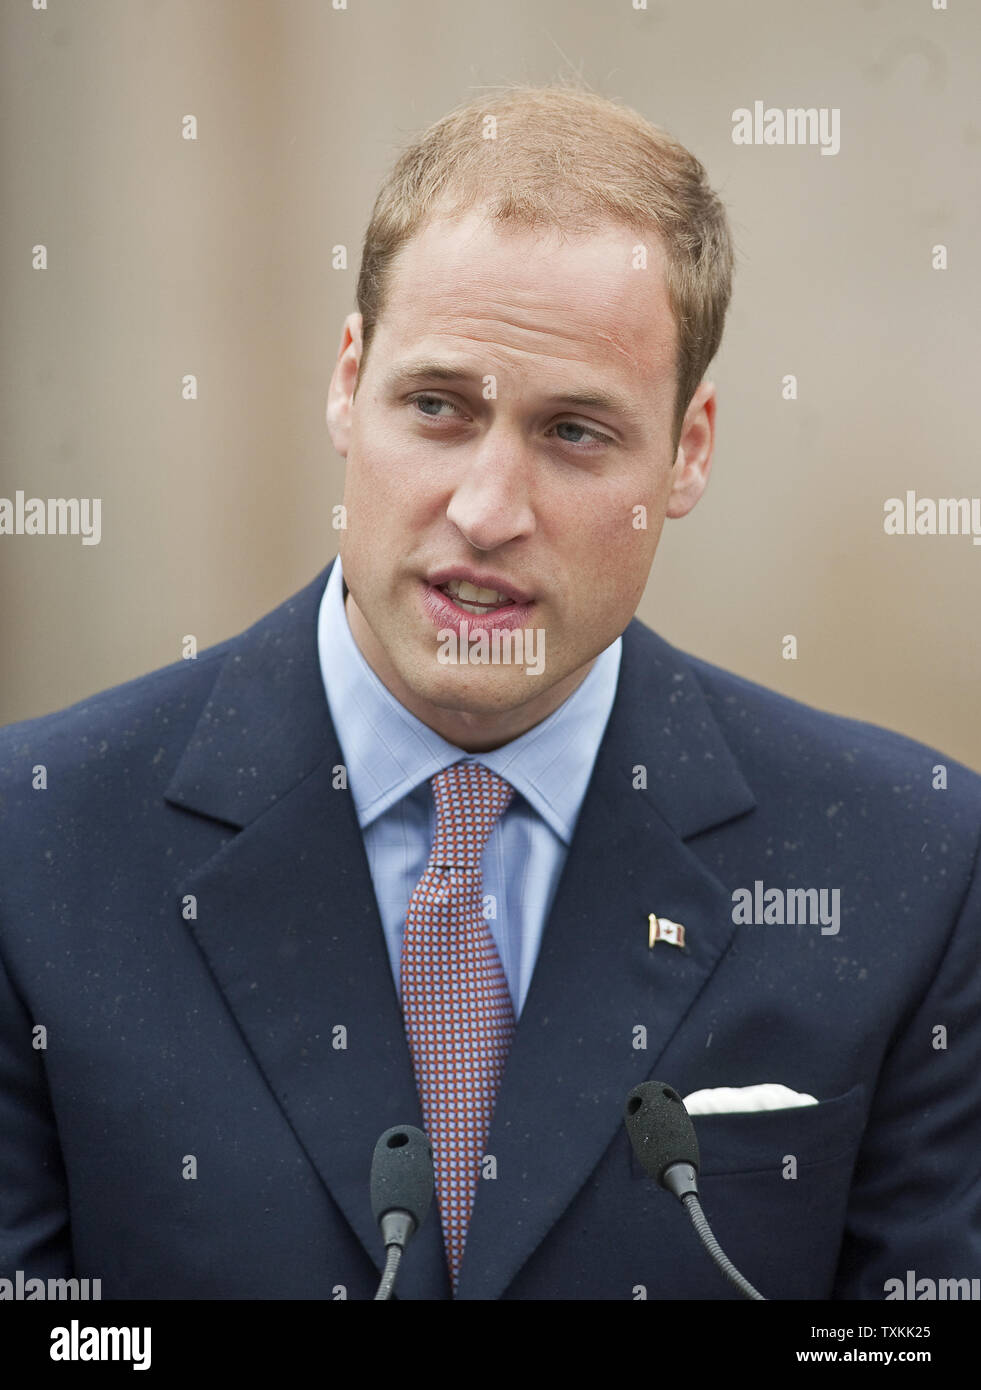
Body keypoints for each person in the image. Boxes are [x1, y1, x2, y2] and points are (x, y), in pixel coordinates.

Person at [1, 84, 978, 1303]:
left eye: (574, 433)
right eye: (437, 407)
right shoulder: (34, 845)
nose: (486, 510)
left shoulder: (912, 862)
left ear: (689, 453)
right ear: (347, 382)